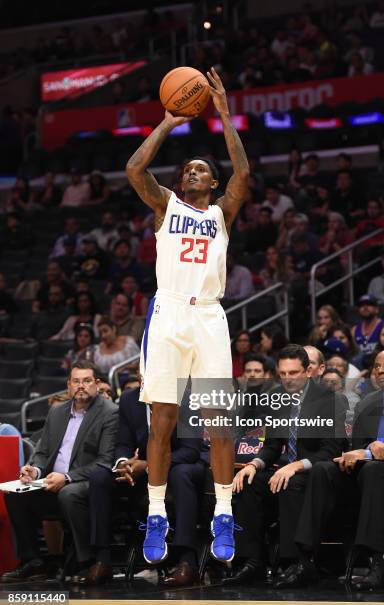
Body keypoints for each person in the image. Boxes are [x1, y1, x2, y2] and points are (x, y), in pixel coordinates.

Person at [126, 67, 249, 564]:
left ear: (213, 181)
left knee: (219, 419)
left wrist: (222, 113)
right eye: (188, 169)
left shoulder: (222, 211)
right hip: (171, 313)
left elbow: (244, 173)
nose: (194, 172)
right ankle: (156, 513)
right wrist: (166, 123)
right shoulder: (166, 205)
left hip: (210, 317)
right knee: (164, 420)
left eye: (203, 169)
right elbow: (135, 170)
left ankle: (222, 513)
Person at [224, 345, 346, 586]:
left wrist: (296, 466)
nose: (288, 379)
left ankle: (297, 562)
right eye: (283, 373)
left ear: (308, 371)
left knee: (291, 482)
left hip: (317, 473)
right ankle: (252, 561)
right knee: (248, 482)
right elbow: (272, 446)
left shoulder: (330, 400)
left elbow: (331, 450)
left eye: (294, 373)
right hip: (284, 470)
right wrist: (255, 465)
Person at [292, 349, 384, 589]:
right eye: (377, 366)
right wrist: (360, 453)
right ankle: (305, 559)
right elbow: (356, 446)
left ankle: (377, 560)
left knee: (375, 470)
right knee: (323, 469)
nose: (381, 370)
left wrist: (372, 450)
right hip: (364, 473)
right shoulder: (368, 402)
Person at [0, 361, 118, 583]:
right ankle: (33, 562)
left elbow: (104, 462)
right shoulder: (57, 412)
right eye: (76, 381)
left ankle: (86, 562)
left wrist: (67, 477)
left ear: (97, 383)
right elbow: (43, 452)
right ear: (69, 385)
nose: (81, 386)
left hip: (86, 484)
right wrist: (34, 470)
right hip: (51, 483)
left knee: (69, 493)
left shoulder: (109, 413)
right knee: (16, 495)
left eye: (87, 381)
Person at [78, 386, 202, 585]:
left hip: (175, 467)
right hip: (138, 468)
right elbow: (123, 442)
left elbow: (191, 450)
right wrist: (123, 463)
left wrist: (149, 466)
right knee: (100, 478)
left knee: (182, 474)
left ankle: (187, 561)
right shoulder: (129, 399)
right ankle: (102, 560)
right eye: (142, 374)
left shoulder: (185, 397)